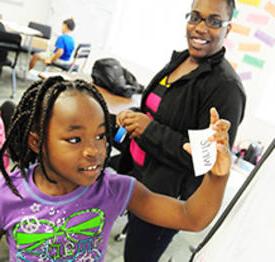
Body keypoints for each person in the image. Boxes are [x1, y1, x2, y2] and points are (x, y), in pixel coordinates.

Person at [0, 77, 231, 261]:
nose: (95, 151)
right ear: (35, 142)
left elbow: (191, 217)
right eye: (74, 139)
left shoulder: (114, 189)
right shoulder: (8, 194)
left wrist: (217, 176)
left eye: (100, 136)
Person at [116, 0, 246, 261]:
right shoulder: (181, 60)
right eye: (195, 17)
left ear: (227, 29)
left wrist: (148, 129)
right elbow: (159, 111)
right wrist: (136, 119)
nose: (200, 28)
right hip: (138, 175)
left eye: (213, 21)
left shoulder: (225, 88)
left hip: (166, 198)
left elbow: (205, 161)